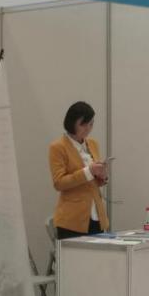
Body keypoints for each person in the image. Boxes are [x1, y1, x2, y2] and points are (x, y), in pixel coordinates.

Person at [48, 101, 109, 239]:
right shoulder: (58, 147)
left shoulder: (93, 144)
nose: (88, 128)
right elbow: (59, 183)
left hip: (96, 216)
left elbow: (92, 182)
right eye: (84, 124)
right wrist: (89, 171)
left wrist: (102, 176)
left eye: (91, 124)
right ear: (72, 123)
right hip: (71, 220)